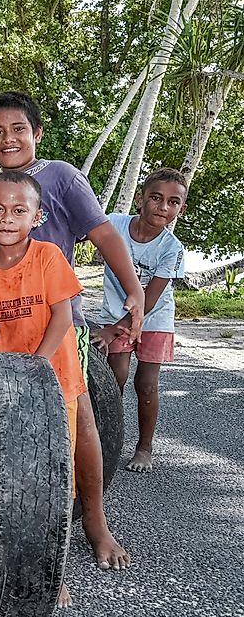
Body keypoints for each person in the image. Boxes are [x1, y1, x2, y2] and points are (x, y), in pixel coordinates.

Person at [0, 91, 144, 571]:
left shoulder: (60, 176)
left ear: (36, 134)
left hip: (52, 324)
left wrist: (134, 290)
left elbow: (103, 233)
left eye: (18, 129)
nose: (8, 138)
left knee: (78, 420)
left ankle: (95, 520)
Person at [0, 170, 85, 609]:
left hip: (56, 386)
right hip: (7, 394)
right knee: (11, 479)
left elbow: (63, 317)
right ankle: (9, 561)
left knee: (55, 483)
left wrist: (38, 366)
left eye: (19, 210)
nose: (8, 218)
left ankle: (55, 574)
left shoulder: (49, 256)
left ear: (38, 216)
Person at [92, 168, 187, 473]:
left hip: (154, 318)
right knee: (114, 376)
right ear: (140, 199)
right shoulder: (113, 225)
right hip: (115, 313)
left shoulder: (171, 249)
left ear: (180, 210)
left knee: (146, 384)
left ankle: (144, 447)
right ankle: (107, 441)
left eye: (173, 202)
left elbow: (149, 299)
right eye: (156, 198)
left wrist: (109, 331)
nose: (163, 207)